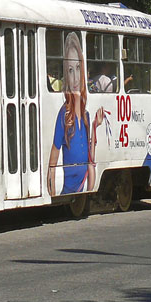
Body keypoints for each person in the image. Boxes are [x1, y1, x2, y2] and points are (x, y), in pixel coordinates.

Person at [46, 33, 107, 195]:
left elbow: (90, 158)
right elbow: (53, 160)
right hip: (68, 189)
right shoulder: (64, 114)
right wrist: (52, 194)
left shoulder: (86, 116)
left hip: (85, 184)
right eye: (70, 70)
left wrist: (94, 126)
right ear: (66, 74)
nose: (74, 78)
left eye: (78, 68)